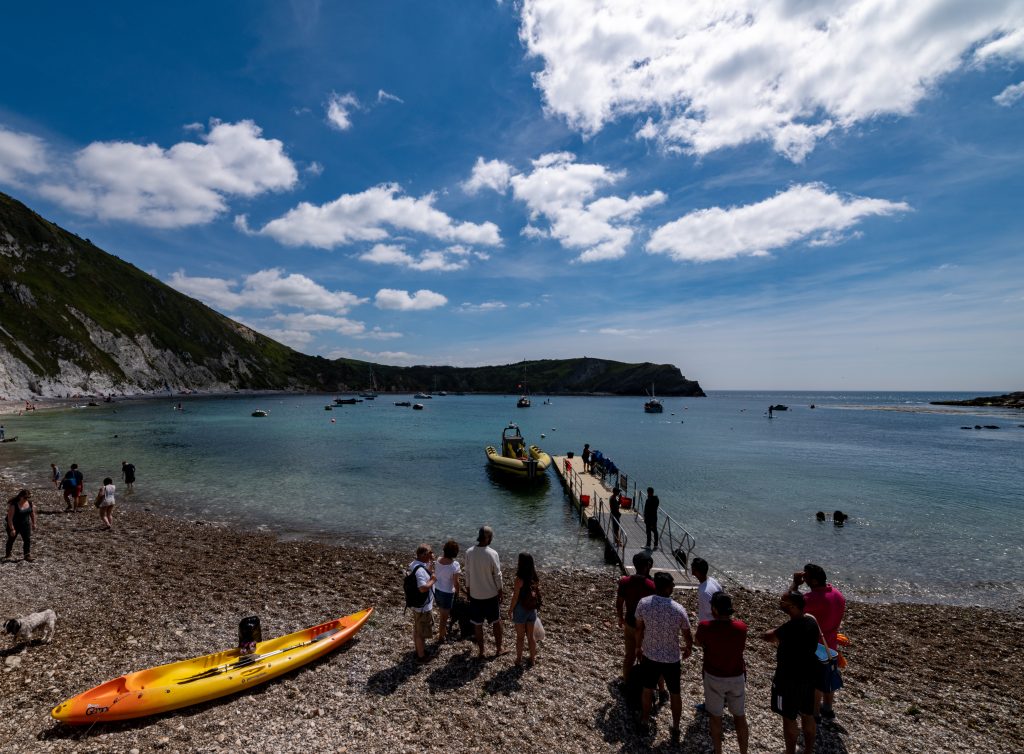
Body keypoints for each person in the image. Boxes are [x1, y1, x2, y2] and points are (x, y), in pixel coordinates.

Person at [635, 572, 693, 740]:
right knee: (675, 692)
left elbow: (639, 628)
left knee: (647, 689)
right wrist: (688, 648)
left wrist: (638, 647)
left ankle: (645, 720)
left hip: (651, 654)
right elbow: (687, 634)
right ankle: (675, 727)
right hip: (671, 658)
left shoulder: (644, 604)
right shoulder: (678, 609)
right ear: (667, 588)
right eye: (672, 585)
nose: (674, 587)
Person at [761, 591, 820, 754]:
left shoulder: (790, 627)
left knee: (789, 718)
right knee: (808, 714)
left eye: (784, 602)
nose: (780, 604)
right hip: (808, 677)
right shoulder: (811, 621)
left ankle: (790, 752)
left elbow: (768, 636)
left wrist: (775, 632)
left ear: (793, 607)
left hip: (787, 679)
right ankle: (808, 750)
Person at [695, 592, 749, 754]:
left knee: (715, 716)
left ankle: (718, 751)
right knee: (739, 716)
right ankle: (744, 752)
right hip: (737, 676)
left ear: (715, 610)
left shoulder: (705, 627)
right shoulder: (741, 627)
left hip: (714, 676)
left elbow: (698, 642)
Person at [792, 563, 846, 722]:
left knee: (814, 680)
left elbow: (789, 603)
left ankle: (814, 713)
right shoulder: (837, 594)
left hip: (815, 645)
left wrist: (795, 583)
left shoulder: (813, 598)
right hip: (831, 643)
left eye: (806, 577)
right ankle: (828, 709)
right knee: (828, 676)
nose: (804, 579)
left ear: (814, 581)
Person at [464, 525, 504, 658]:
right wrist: (501, 591)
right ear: (488, 537)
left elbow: (467, 574)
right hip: (490, 594)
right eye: (491, 536)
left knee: (477, 624)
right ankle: (499, 649)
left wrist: (469, 589)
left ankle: (481, 651)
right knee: (496, 622)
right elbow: (497, 575)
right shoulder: (492, 554)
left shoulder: (469, 552)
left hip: (475, 594)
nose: (492, 538)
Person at [616, 551, 656, 682]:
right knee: (647, 656)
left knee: (629, 656)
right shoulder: (652, 585)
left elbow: (619, 602)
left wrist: (620, 617)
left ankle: (627, 681)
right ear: (648, 566)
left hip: (629, 622)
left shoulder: (625, 582)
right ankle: (646, 684)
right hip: (645, 627)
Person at [507, 552, 541, 665]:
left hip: (521, 610)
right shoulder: (534, 577)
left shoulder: (519, 579)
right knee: (531, 636)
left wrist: (510, 609)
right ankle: (532, 659)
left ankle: (518, 659)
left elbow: (515, 597)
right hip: (532, 609)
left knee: (520, 637)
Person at [408, 544, 436, 662]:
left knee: (417, 628)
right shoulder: (419, 570)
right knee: (421, 632)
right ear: (423, 555)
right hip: (423, 606)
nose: (432, 554)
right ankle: (421, 655)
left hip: (417, 603)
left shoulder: (414, 565)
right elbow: (422, 588)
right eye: (430, 552)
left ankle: (418, 650)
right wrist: (433, 579)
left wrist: (429, 569)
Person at [434, 540, 461, 642]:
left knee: (442, 613)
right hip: (447, 593)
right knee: (444, 618)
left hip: (437, 590)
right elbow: (456, 583)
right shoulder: (455, 565)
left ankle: (442, 631)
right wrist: (458, 592)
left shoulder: (438, 560)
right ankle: (441, 636)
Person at [4, 489, 36, 562]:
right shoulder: (14, 505)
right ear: (20, 497)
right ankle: (8, 554)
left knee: (27, 539)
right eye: (25, 498)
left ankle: (27, 555)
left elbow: (32, 514)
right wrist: (12, 529)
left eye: (28, 497)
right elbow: (9, 519)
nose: (27, 499)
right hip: (14, 525)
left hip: (25, 525)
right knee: (11, 539)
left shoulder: (30, 503)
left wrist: (34, 523)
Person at [691, 557, 723, 624]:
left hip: (709, 625)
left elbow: (712, 611)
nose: (692, 572)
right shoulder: (712, 580)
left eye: (693, 569)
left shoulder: (704, 592)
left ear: (697, 572)